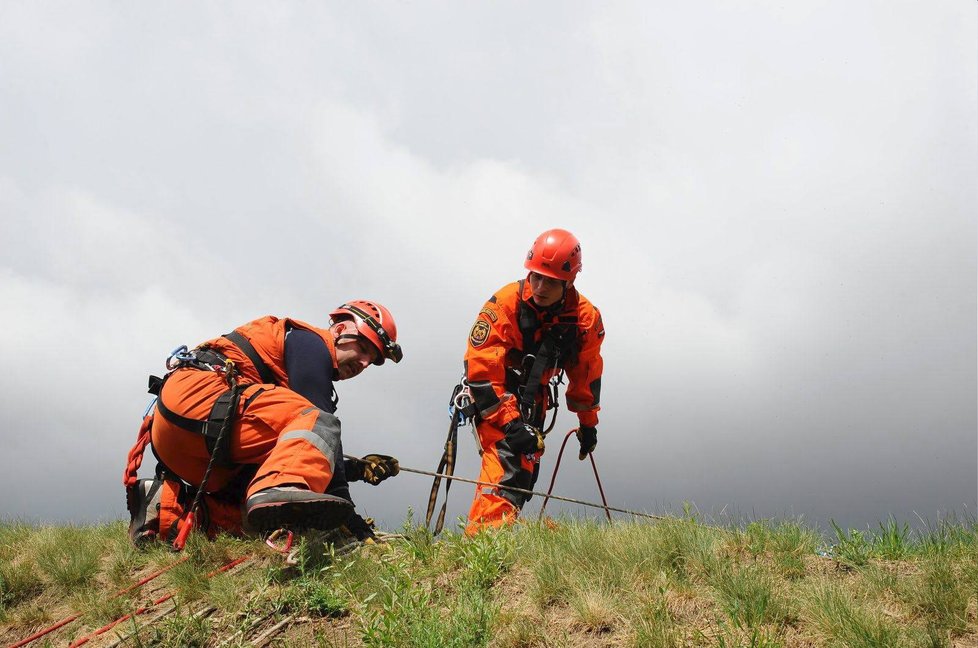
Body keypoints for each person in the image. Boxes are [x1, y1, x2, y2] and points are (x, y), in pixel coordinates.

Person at [124, 301, 403, 546]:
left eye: (373, 361)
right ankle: (277, 488)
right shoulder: (310, 343)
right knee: (319, 421)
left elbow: (291, 445)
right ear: (341, 331)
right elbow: (318, 425)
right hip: (201, 401)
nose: (365, 363)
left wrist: (354, 468)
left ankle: (163, 507)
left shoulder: (300, 362)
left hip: (183, 435)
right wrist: (351, 522)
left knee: (259, 517)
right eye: (364, 348)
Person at [463, 229, 604, 535]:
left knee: (526, 470)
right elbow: (482, 370)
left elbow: (587, 375)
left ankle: (495, 538)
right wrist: (511, 424)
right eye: (535, 276)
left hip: (536, 397)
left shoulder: (585, 320)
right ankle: (483, 545)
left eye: (550, 281)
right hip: (498, 393)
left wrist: (588, 424)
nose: (539, 287)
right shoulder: (505, 304)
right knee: (509, 463)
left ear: (570, 281)